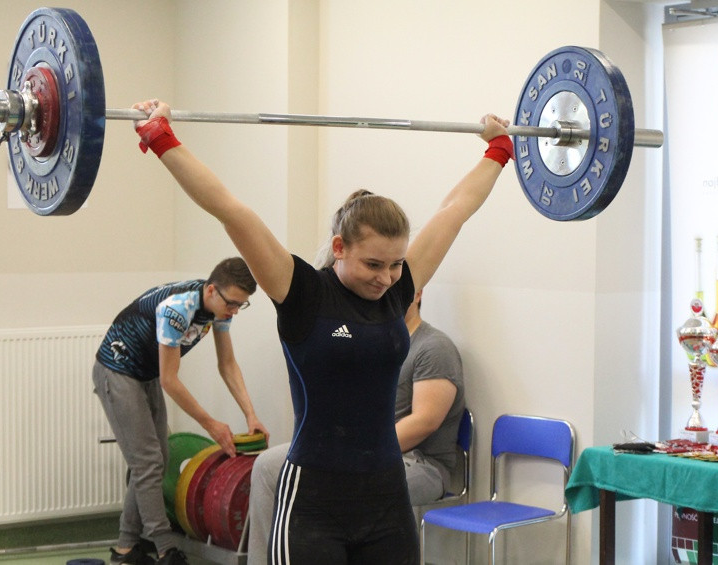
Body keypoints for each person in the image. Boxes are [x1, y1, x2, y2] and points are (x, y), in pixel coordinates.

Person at [131, 98, 511, 565]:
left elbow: (455, 210)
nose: (387, 277)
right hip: (313, 498)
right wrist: (160, 136)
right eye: (373, 264)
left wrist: (498, 150)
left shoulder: (397, 290)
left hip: (387, 496)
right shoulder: (301, 292)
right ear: (338, 248)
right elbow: (229, 209)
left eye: (395, 264)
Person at [246, 287, 465, 564]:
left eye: (395, 287)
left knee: (347, 488)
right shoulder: (373, 340)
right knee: (267, 466)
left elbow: (425, 421)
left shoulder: (434, 347)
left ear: (417, 294)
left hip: (418, 463)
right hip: (350, 449)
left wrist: (357, 451)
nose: (384, 292)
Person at [93, 257, 269, 565]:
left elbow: (227, 364)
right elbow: (171, 380)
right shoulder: (178, 309)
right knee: (148, 461)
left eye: (242, 305)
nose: (235, 311)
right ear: (212, 290)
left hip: (144, 373)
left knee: (155, 457)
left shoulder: (219, 309)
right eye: (233, 304)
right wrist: (211, 424)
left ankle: (125, 548)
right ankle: (165, 548)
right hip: (117, 370)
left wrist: (250, 414)